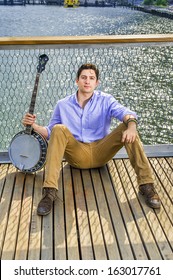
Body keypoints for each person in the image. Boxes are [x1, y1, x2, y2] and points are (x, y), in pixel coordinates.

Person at [22, 63, 161, 216]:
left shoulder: (106, 100)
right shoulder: (62, 104)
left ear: (97, 82)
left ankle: (146, 185)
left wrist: (132, 126)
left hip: (102, 151)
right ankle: (49, 192)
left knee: (127, 126)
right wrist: (34, 125)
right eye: (83, 78)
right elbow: (50, 133)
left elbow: (125, 112)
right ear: (77, 81)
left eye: (91, 78)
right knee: (58, 129)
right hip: (77, 154)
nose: (87, 81)